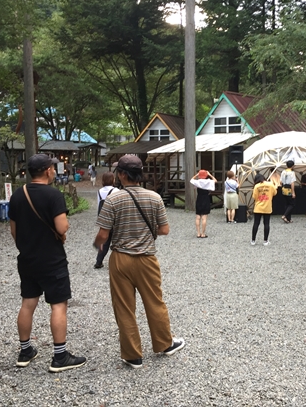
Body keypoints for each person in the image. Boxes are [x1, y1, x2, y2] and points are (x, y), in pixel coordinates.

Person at [93, 155, 185, 368]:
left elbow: (103, 235)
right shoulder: (155, 197)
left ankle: (132, 355)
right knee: (155, 302)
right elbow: (164, 230)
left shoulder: (113, 200)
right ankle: (165, 343)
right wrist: (145, 231)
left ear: (122, 175)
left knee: (124, 307)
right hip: (146, 259)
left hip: (120, 259)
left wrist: (97, 244)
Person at [8, 154, 86, 372]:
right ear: (47, 171)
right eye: (52, 168)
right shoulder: (53, 195)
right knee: (58, 304)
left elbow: (14, 231)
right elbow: (61, 227)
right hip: (52, 259)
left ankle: (25, 351)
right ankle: (60, 356)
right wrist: (64, 228)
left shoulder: (18, 195)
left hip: (27, 259)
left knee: (28, 303)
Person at [94, 172, 120, 269]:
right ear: (113, 180)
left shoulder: (99, 191)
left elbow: (99, 205)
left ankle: (98, 261)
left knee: (105, 242)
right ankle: (117, 263)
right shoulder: (116, 191)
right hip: (115, 220)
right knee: (117, 242)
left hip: (104, 219)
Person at [251, 173, 277, 246]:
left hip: (258, 207)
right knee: (266, 224)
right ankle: (265, 241)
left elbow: (254, 197)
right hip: (267, 207)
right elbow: (275, 193)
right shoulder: (270, 184)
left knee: (256, 223)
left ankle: (253, 240)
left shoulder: (256, 186)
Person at [190, 169, 217, 238]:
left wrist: (196, 175)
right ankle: (203, 233)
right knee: (204, 218)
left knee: (198, 217)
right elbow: (215, 180)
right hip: (206, 198)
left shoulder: (198, 182)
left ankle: (198, 233)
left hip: (199, 198)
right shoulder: (208, 181)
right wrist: (210, 175)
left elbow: (191, 180)